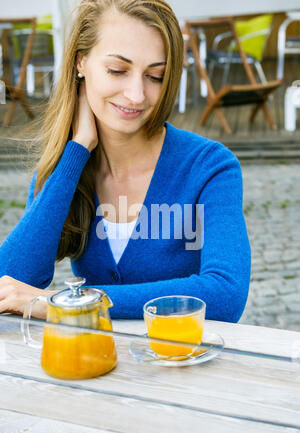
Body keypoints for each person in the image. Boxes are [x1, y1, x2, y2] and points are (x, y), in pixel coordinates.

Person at [0, 0, 251, 321]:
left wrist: (67, 302)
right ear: (81, 62)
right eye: (117, 70)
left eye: (155, 76)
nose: (136, 94)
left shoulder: (210, 167)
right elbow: (11, 282)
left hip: (183, 365)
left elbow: (226, 293)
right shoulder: (64, 169)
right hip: (95, 367)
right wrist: (77, 149)